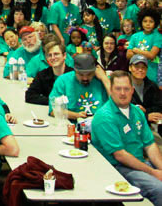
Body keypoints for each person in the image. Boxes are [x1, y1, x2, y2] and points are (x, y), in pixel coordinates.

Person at [92, 71, 162, 204]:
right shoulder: (104, 117)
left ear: (132, 90)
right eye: (118, 89)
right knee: (159, 189)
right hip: (117, 167)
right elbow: (120, 155)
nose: (122, 93)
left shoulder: (137, 112)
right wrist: (153, 173)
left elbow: (150, 145)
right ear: (111, 90)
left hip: (139, 163)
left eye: (126, 89)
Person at [48, 53, 110, 119]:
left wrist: (104, 79)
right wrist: (76, 115)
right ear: (74, 71)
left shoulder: (103, 81)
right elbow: (54, 111)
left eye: (89, 74)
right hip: (71, 125)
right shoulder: (63, 81)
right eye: (81, 74)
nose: (85, 78)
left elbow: (117, 107)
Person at [128, 55, 162, 125]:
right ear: (130, 68)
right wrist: (146, 116)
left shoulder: (152, 86)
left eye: (143, 67)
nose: (140, 70)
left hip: (151, 125)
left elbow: (159, 107)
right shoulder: (124, 86)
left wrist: (146, 111)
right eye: (137, 67)